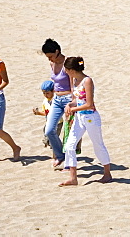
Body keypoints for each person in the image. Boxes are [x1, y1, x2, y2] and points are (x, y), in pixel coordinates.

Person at [59, 56, 112, 186]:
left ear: (72, 69)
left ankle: (107, 173)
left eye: (66, 69)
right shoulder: (74, 80)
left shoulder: (87, 81)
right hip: (79, 117)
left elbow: (89, 104)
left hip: (90, 118)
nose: (65, 72)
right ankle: (73, 178)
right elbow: (77, 99)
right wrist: (70, 105)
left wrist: (74, 108)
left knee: (98, 144)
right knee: (70, 145)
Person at [41, 38, 73, 168]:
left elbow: (73, 85)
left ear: (57, 51)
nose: (50, 59)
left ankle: (69, 161)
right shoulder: (52, 64)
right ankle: (60, 155)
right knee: (49, 130)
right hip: (56, 99)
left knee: (68, 131)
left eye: (51, 56)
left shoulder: (67, 64)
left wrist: (72, 102)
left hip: (68, 99)